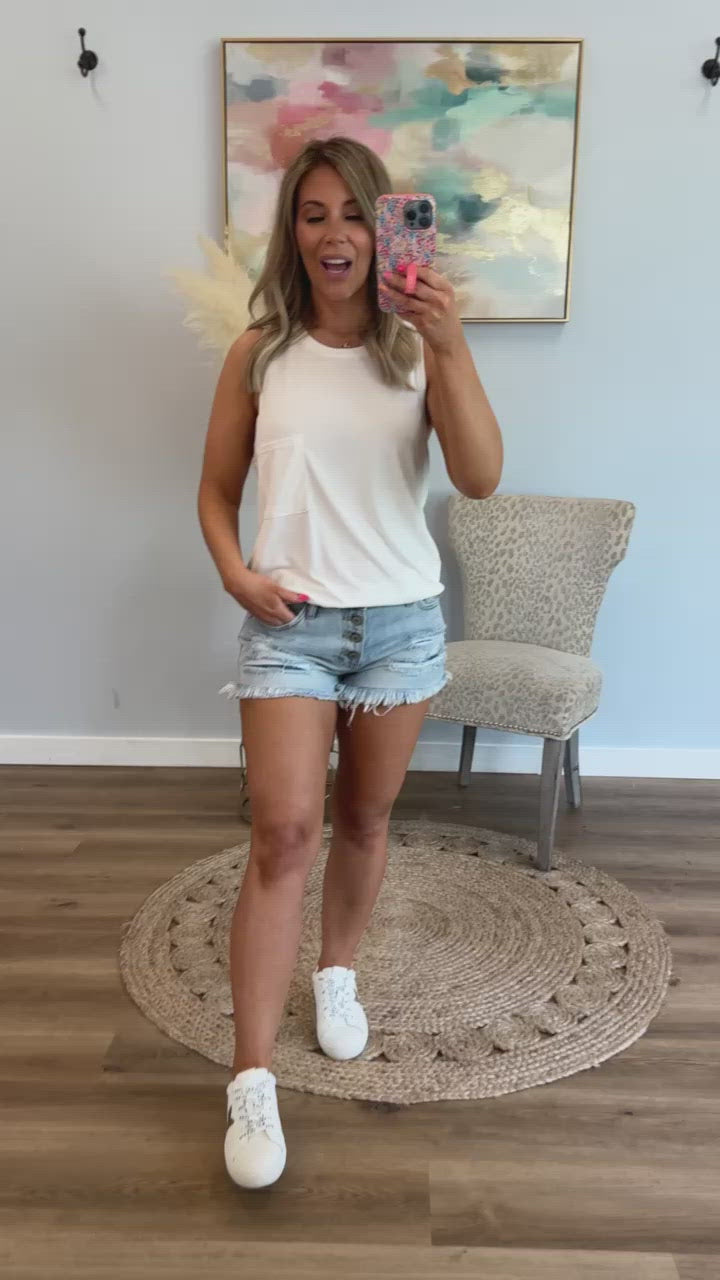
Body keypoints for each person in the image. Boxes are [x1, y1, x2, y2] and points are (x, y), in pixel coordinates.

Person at [197, 135, 503, 1189]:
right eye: (313, 213)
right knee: (283, 832)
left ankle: (336, 971)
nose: (335, 234)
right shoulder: (258, 352)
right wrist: (236, 573)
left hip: (402, 625)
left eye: (355, 213)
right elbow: (215, 490)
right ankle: (251, 1079)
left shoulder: (418, 348)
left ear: (386, 228)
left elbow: (481, 476)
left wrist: (451, 347)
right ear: (293, 231)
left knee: (365, 820)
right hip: (291, 625)